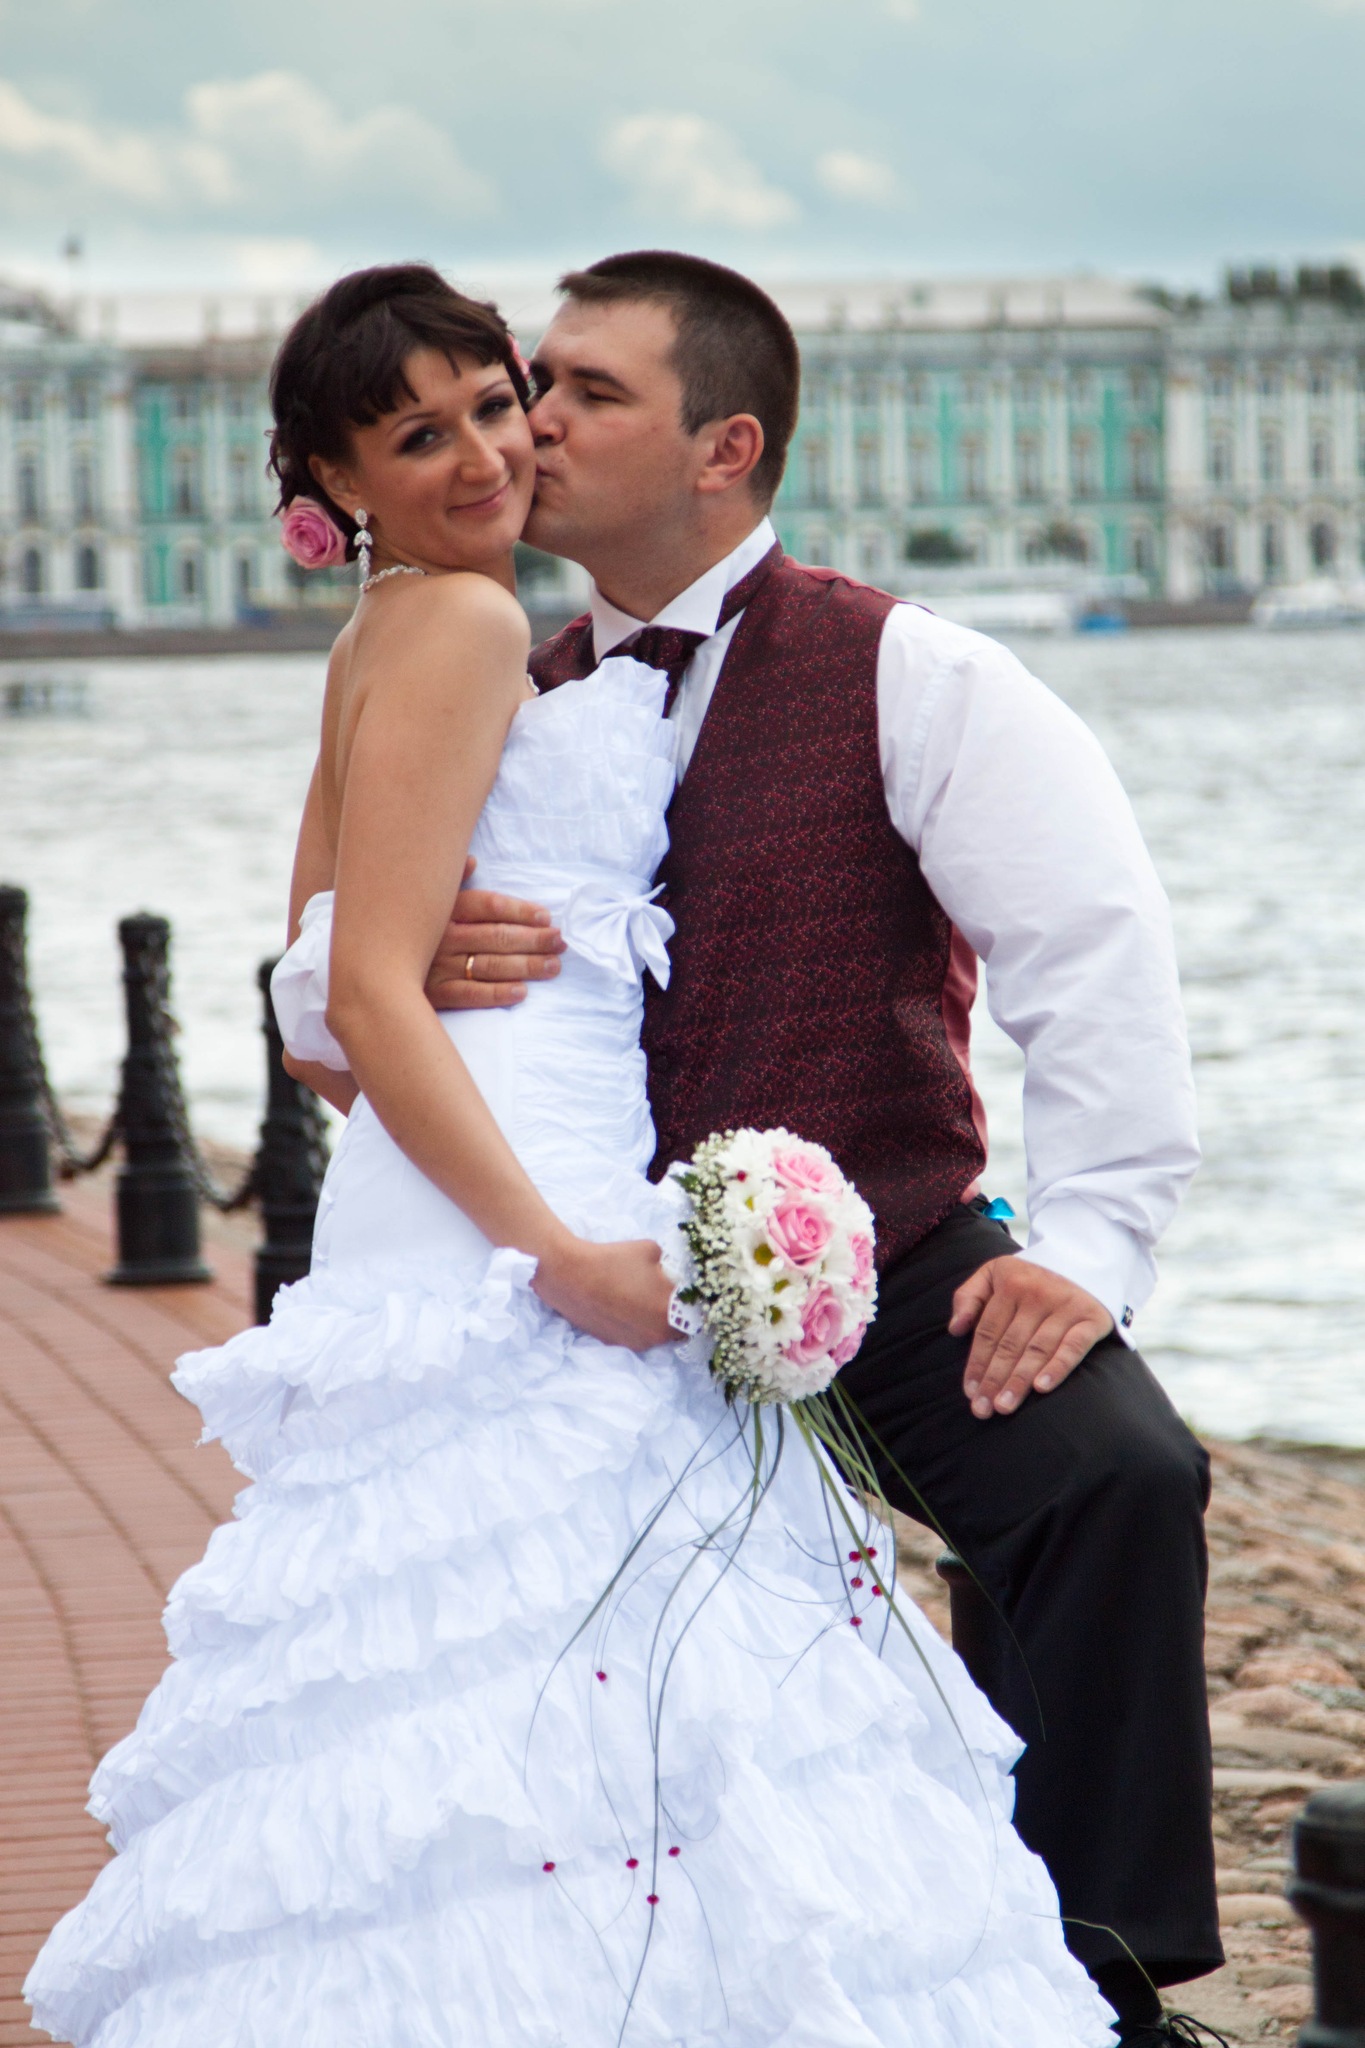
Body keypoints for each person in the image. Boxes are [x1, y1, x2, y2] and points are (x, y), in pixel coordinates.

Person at [25, 264, 1115, 2048]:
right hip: (537, 1181)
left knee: (464, 1627)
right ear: (334, 481)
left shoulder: (425, 628)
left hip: (577, 1169)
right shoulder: (469, 628)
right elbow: (346, 992)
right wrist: (540, 1233)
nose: (492, 449)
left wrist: (380, 963)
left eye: (503, 401)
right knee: (586, 1596)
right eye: (420, 435)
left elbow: (313, 965)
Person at [405, 252, 1221, 2048]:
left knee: (1109, 1480)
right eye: (535, 379)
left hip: (876, 1246)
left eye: (588, 391)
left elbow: (1090, 954)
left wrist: (1085, 1245)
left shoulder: (913, 671)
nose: (532, 421)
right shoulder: (495, 691)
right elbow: (334, 970)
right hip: (584, 1271)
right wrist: (382, 970)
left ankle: (1089, 1985)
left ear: (726, 447)